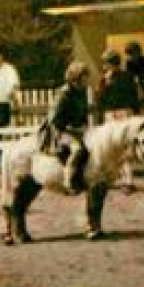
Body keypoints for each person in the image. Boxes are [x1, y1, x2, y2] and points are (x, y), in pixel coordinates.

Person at [41, 61, 92, 194]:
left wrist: (84, 126)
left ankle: (82, 179)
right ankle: (68, 181)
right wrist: (72, 128)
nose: (87, 80)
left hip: (77, 129)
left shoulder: (82, 92)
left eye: (87, 77)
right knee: (77, 149)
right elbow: (54, 118)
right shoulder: (63, 93)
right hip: (59, 131)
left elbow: (83, 113)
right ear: (76, 77)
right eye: (85, 77)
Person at [98, 51, 138, 120]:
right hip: (110, 111)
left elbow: (133, 95)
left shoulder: (127, 76)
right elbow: (101, 97)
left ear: (113, 63)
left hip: (125, 110)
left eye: (105, 63)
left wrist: (134, 111)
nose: (104, 66)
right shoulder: (104, 79)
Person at [124, 41, 144, 110]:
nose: (130, 58)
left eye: (132, 55)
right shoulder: (128, 63)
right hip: (134, 93)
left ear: (138, 53)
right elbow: (130, 78)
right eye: (129, 55)